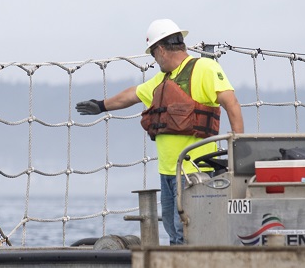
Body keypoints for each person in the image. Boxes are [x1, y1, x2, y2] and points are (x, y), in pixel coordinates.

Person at [76, 19, 244, 244]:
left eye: (154, 55)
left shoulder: (205, 68)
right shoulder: (162, 81)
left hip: (194, 173)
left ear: (161, 50)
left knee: (187, 230)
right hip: (167, 173)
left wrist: (239, 146)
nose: (155, 61)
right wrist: (101, 105)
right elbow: (132, 95)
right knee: (174, 231)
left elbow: (231, 103)